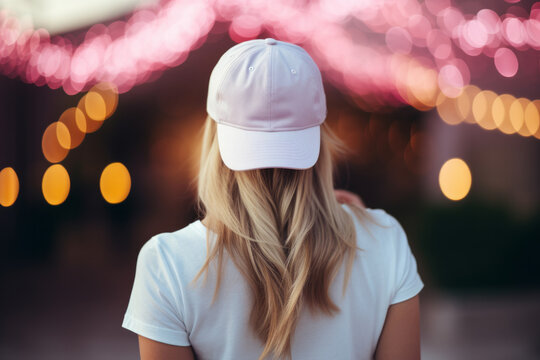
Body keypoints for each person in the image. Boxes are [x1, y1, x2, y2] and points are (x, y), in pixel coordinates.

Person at [122, 38, 424, 360]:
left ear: (213, 137)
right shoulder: (385, 241)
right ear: (320, 137)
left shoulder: (166, 264)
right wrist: (368, 233)